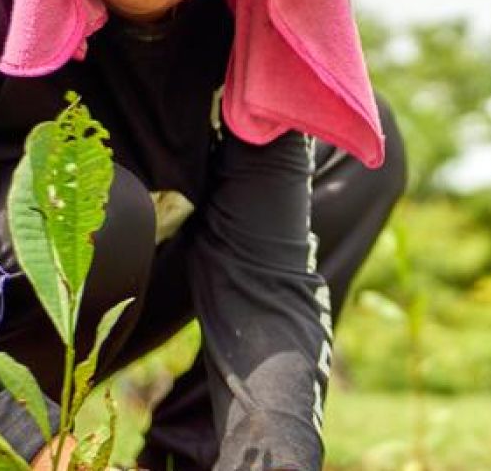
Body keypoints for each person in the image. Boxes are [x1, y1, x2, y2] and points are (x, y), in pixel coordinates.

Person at [0, 0, 388, 468]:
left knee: (347, 151)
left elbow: (268, 281)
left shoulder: (250, 11)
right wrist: (23, 443)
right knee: (93, 206)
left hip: (76, 295)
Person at [139, 97, 408, 469]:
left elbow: (270, 278)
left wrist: (276, 458)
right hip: (42, 298)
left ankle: (196, 455)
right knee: (119, 208)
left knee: (353, 123)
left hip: (155, 260)